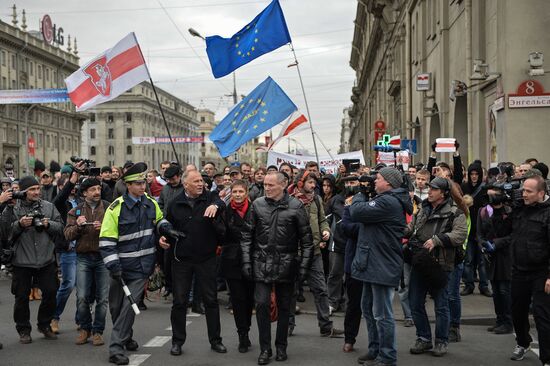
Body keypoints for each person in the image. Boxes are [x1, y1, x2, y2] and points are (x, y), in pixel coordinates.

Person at [241, 172, 314, 365]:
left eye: (271, 185)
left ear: (283, 185)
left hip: (287, 264)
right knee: (262, 305)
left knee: (284, 308)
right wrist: (246, 262)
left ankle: (281, 346)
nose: (267, 188)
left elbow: (307, 241)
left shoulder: (296, 206)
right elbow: (247, 236)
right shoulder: (257, 204)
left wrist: (304, 267)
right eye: (265, 184)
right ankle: (265, 349)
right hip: (261, 263)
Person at [99, 162, 163, 365]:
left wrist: (166, 228)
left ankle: (115, 348)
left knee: (129, 307)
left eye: (143, 182)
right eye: (137, 183)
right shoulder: (115, 208)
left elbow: (159, 221)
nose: (142, 186)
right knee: (117, 307)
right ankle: (126, 337)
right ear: (128, 185)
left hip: (142, 268)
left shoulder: (150, 203)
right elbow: (107, 241)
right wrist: (113, 266)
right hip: (119, 267)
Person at [159, 170, 227, 357]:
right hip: (182, 260)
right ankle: (177, 342)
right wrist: (163, 238)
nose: (200, 184)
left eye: (202, 181)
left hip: (206, 258)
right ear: (185, 184)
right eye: (196, 181)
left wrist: (216, 205)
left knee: (211, 301)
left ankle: (216, 340)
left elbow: (221, 202)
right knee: (180, 302)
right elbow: (167, 225)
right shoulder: (175, 204)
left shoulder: (210, 197)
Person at [350, 167, 412, 366]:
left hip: (382, 263)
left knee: (382, 313)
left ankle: (387, 356)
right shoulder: (386, 199)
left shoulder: (389, 201)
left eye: (377, 179)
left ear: (389, 183)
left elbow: (357, 211)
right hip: (373, 262)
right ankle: (375, 349)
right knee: (367, 308)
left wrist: (359, 194)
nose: (374, 182)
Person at [406, 177, 468, 358]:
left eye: (434, 189)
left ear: (444, 193)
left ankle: (441, 341)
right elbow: (412, 228)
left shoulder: (455, 212)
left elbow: (460, 235)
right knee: (415, 302)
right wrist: (399, 230)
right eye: (429, 188)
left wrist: (436, 240)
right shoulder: (423, 208)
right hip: (420, 262)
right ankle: (424, 338)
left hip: (441, 264)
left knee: (441, 305)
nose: (429, 191)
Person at [494, 175, 550, 363]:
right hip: (518, 269)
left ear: (541, 193)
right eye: (523, 190)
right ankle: (523, 342)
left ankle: (547, 357)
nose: (523, 194)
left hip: (541, 271)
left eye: (528, 191)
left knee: (542, 316)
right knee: (517, 312)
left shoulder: (548, 212)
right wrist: (501, 210)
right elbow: (504, 231)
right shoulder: (519, 209)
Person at [7, 175, 64, 343]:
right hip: (22, 260)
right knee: (21, 297)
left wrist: (48, 224)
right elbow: (6, 234)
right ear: (23, 191)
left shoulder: (48, 207)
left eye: (38, 188)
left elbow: (61, 227)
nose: (36, 192)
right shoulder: (14, 208)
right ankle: (24, 329)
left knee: (51, 291)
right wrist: (19, 224)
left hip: (46, 259)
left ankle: (44, 324)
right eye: (32, 189)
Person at [289, 172, 342, 337]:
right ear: (301, 182)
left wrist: (325, 230)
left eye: (314, 183)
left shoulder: (317, 200)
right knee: (290, 291)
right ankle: (288, 326)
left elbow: (322, 220)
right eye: (310, 182)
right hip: (295, 253)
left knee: (320, 289)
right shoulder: (290, 200)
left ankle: (326, 327)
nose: (313, 186)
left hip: (315, 252)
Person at [64, 178, 110, 346]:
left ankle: (98, 331)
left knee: (103, 298)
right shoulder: (75, 211)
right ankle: (85, 329)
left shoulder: (108, 208)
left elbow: (119, 230)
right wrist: (78, 226)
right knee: (82, 297)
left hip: (102, 257)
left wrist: (104, 227)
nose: (97, 192)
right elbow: (67, 235)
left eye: (98, 188)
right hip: (83, 257)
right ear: (84, 193)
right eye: (92, 189)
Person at [221, 180, 255, 353]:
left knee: (249, 299)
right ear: (231, 193)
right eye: (235, 192)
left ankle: (247, 327)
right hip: (232, 261)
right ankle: (242, 334)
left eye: (241, 191)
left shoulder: (255, 209)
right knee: (238, 299)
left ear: (247, 193)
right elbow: (221, 233)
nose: (238, 195)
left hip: (251, 260)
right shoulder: (225, 211)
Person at [477, 188, 513, 335]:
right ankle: (499, 320)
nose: (491, 198)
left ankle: (508, 321)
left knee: (505, 290)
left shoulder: (510, 212)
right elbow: (479, 233)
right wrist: (483, 246)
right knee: (496, 291)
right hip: (490, 257)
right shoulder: (484, 211)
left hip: (505, 256)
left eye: (495, 194)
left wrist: (496, 243)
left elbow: (514, 234)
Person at [461, 163, 491, 297]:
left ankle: (484, 286)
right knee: (468, 261)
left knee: (482, 262)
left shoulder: (484, 189)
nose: (474, 177)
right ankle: (469, 285)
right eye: (471, 174)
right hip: (468, 229)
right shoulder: (464, 187)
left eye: (476, 174)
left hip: (482, 231)